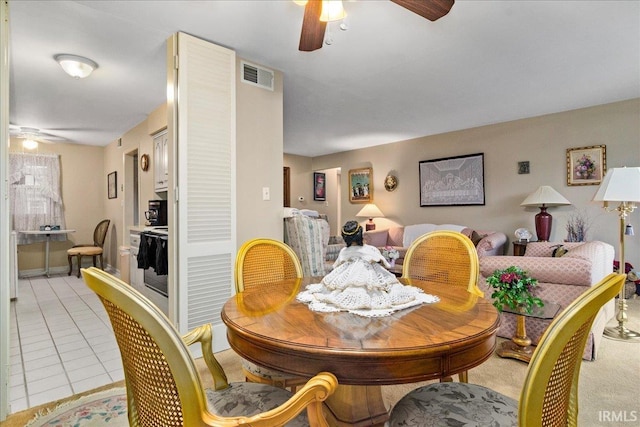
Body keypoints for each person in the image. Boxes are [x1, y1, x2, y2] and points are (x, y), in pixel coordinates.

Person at [297, 220, 438, 316]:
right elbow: (384, 262)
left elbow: (336, 265)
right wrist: (389, 264)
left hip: (347, 276)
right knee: (380, 290)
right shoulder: (370, 249)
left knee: (338, 289)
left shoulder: (344, 252)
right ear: (360, 235)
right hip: (370, 276)